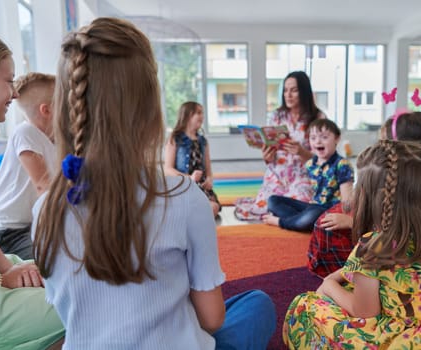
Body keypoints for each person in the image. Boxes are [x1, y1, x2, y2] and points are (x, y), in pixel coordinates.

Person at [32, 17, 276, 350]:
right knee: (257, 304)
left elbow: (72, 313)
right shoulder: (184, 197)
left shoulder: (44, 211)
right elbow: (212, 319)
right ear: (149, 112)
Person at [283, 140, 421, 349]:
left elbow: (364, 312)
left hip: (407, 344)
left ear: (370, 198)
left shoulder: (372, 246)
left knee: (304, 307)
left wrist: (330, 283)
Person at [0, 24, 64, 349]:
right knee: (80, 303)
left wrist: (11, 269)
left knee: (72, 279)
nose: (16, 93)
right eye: (8, 81)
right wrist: (0, 280)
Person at [307, 110, 421, 277]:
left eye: (383, 142)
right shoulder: (412, 178)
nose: (380, 147)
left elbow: (394, 233)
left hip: (386, 266)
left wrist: (352, 223)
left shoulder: (401, 188)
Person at [234, 71, 324, 221]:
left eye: (294, 90)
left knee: (301, 204)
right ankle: (286, 218)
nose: (288, 95)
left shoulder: (318, 118)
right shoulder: (276, 116)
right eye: (285, 90)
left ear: (304, 91)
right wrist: (267, 157)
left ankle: (282, 218)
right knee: (266, 205)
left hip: (303, 176)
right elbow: (271, 154)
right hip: (276, 174)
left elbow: (324, 159)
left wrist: (302, 152)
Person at [0, 72, 56, 260]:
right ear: (46, 110)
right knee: (48, 264)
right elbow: (43, 186)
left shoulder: (55, 140)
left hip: (30, 225)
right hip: (7, 231)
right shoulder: (25, 132)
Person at [263, 119, 353, 232]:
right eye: (313, 138)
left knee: (312, 215)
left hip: (329, 211)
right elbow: (299, 178)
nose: (318, 142)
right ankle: (300, 222)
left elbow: (347, 198)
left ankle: (282, 222)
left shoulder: (342, 164)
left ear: (337, 138)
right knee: (273, 200)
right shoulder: (311, 163)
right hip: (312, 207)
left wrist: (347, 217)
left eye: (324, 137)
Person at [164, 101, 221, 217]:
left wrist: (209, 179)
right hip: (182, 186)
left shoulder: (203, 141)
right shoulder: (175, 139)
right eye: (198, 113)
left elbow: (208, 168)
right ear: (188, 116)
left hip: (200, 187)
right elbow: (167, 169)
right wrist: (189, 178)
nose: (202, 116)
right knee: (198, 210)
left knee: (214, 208)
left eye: (202, 113)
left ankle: (192, 214)